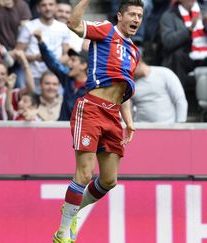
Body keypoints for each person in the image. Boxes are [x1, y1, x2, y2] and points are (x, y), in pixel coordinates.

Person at [52, 0, 143, 242]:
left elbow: (123, 89)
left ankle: (72, 210)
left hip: (113, 114)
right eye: (132, 14)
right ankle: (63, 233)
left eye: (140, 16)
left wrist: (129, 121)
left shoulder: (134, 50)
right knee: (83, 174)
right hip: (91, 108)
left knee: (109, 180)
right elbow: (73, 23)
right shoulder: (105, 29)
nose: (136, 19)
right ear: (120, 16)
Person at [34, 30, 88, 121]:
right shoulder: (67, 79)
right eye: (69, 60)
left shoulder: (93, 88)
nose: (69, 63)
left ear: (83, 65)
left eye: (73, 60)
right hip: (62, 131)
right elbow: (53, 63)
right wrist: (41, 42)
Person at [16, 0, 70, 86]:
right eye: (44, 5)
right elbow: (18, 52)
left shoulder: (64, 28)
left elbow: (67, 55)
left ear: (56, 7)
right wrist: (33, 57)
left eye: (51, 4)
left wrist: (51, 60)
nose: (48, 8)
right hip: (33, 76)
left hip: (55, 78)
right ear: (38, 8)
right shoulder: (29, 26)